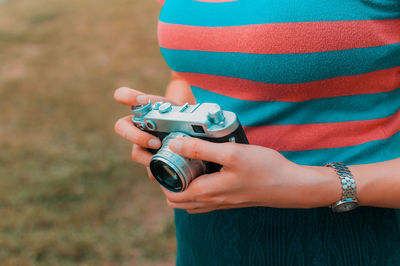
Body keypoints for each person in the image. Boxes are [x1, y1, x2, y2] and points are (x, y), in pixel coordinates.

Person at [114, 0, 400, 265]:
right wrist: (174, 121)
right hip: (210, 223)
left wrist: (316, 185)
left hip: (356, 228)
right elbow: (188, 74)